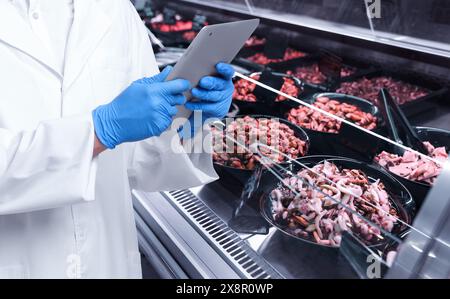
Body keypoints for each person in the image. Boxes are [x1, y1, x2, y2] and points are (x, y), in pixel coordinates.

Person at [0, 0, 234, 278]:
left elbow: (137, 160)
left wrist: (191, 119)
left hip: (106, 259)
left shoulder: (115, 9)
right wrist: (98, 131)